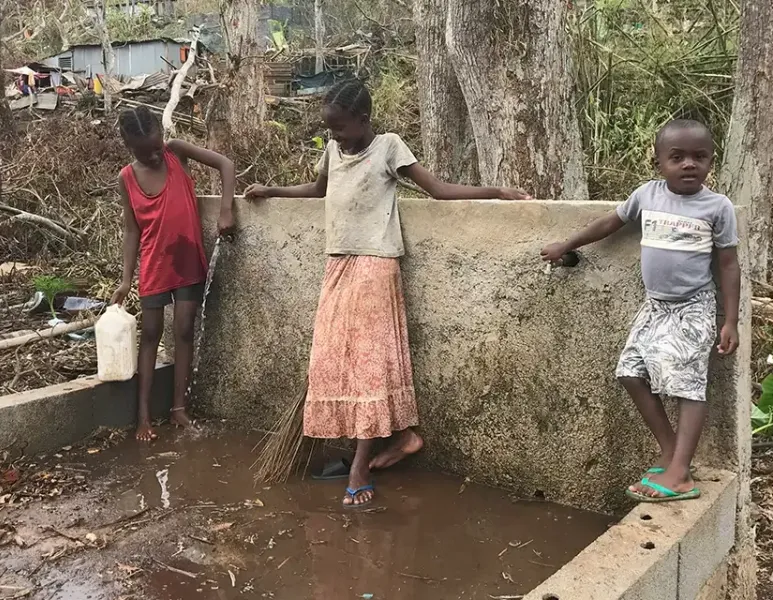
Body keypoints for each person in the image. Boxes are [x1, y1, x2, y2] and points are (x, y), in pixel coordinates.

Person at [245, 79, 530, 507]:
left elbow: (439, 190)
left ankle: (360, 465)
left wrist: (497, 191)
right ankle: (401, 435)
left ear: (364, 120)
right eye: (330, 130)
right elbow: (318, 190)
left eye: (341, 128)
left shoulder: (389, 146)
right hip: (338, 262)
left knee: (367, 364)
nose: (335, 136)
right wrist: (272, 190)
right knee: (330, 359)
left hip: (376, 263)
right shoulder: (332, 152)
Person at [541, 119, 740, 503]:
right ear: (658, 163)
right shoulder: (647, 195)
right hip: (655, 307)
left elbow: (728, 265)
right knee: (630, 373)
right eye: (677, 157)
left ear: (711, 162)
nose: (688, 165)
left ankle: (680, 475)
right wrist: (566, 244)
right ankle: (671, 454)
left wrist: (729, 320)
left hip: (693, 307)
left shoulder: (717, 208)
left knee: (687, 384)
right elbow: (608, 224)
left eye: (699, 157)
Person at [110, 106, 236, 442]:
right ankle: (143, 417)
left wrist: (226, 209)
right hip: (154, 263)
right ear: (128, 147)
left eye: (156, 145)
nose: (154, 155)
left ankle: (179, 409)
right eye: (144, 151)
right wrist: (126, 279)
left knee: (183, 330)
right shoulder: (127, 178)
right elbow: (131, 229)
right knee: (150, 333)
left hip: (187, 258)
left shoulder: (176, 152)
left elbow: (225, 165)